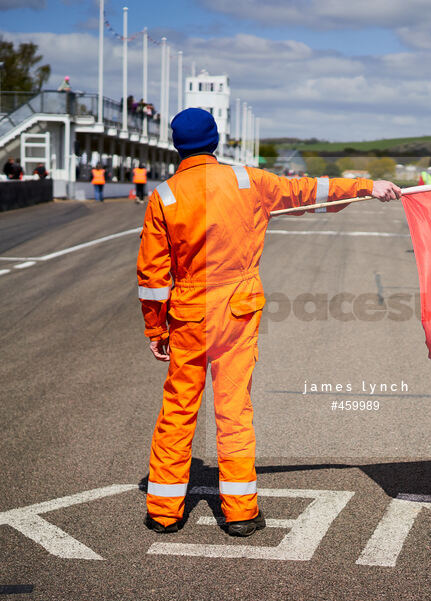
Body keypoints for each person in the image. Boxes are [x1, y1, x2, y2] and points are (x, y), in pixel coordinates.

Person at [137, 108, 401, 536]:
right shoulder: (247, 181)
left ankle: (165, 512)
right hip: (238, 308)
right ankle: (240, 512)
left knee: (178, 407)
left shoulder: (164, 196)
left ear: (175, 145)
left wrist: (155, 328)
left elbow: (152, 278)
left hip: (188, 313)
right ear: (216, 140)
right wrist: (368, 187)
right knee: (233, 409)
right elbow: (312, 192)